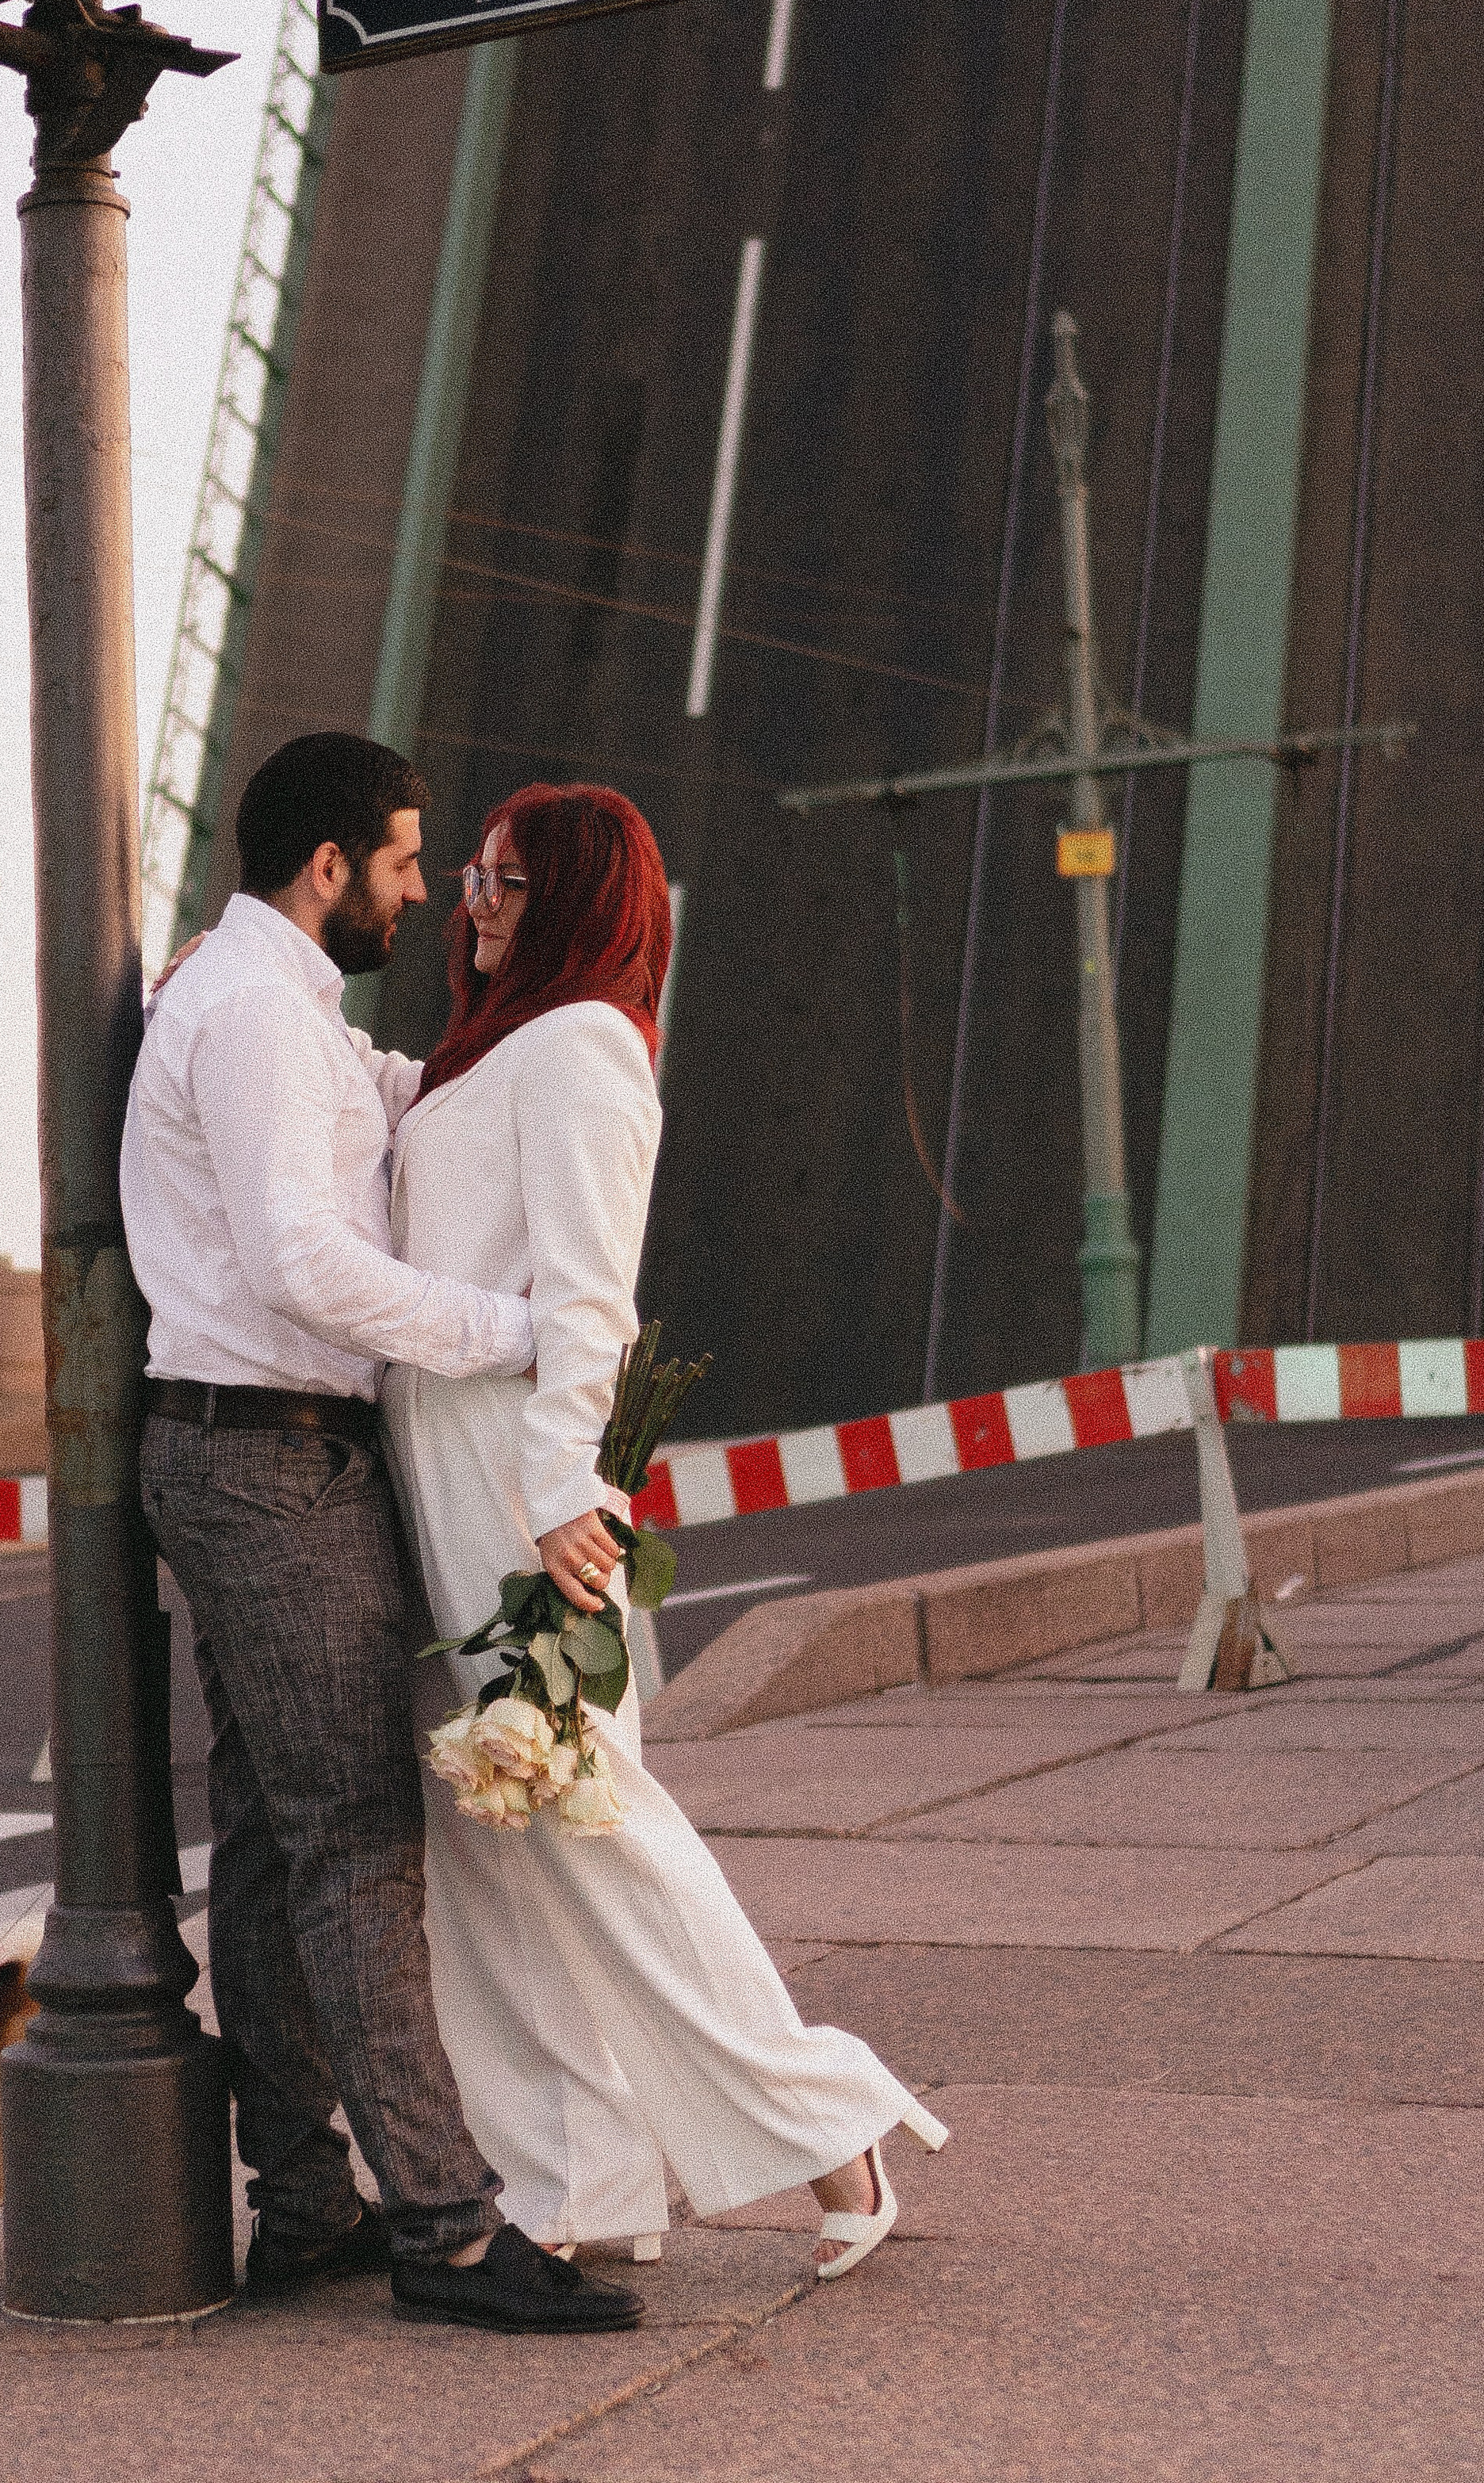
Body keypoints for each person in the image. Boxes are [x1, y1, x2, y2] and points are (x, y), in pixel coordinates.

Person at [381, 782, 949, 2277]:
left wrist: (568, 1490)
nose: (475, 900)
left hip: (520, 1475)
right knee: (492, 1839)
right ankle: (576, 2183)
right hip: (449, 1460)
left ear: (577, 897)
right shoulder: (495, 1050)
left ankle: (831, 2124)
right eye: (473, 873)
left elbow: (589, 1294)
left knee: (589, 1817)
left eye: (507, 878)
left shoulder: (582, 1050)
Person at [120, 733, 641, 2333]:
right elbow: (298, 1260)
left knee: (282, 1842)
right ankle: (447, 2229)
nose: (425, 892)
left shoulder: (282, 1012)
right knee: (354, 1841)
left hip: (251, 1456)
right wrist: (518, 1333)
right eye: (407, 862)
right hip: (268, 1462)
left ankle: (302, 2203)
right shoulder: (258, 1013)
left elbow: (405, 1104)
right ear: (327, 868)